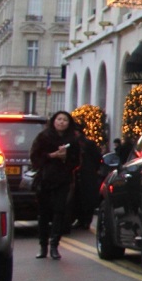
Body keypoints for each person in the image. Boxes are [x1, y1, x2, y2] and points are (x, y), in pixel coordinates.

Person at [29, 111, 80, 260]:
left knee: (59, 211)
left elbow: (76, 161)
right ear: (54, 121)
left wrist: (65, 158)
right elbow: (35, 157)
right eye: (59, 119)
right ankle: (43, 246)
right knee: (44, 213)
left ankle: (54, 245)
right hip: (45, 179)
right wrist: (52, 155)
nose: (62, 122)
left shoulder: (73, 140)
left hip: (63, 179)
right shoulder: (44, 137)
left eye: (65, 120)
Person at [73, 128, 103, 230]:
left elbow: (97, 157)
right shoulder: (71, 143)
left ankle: (85, 220)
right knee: (77, 199)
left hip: (87, 173)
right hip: (77, 173)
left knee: (87, 198)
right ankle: (80, 219)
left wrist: (94, 169)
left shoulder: (88, 144)